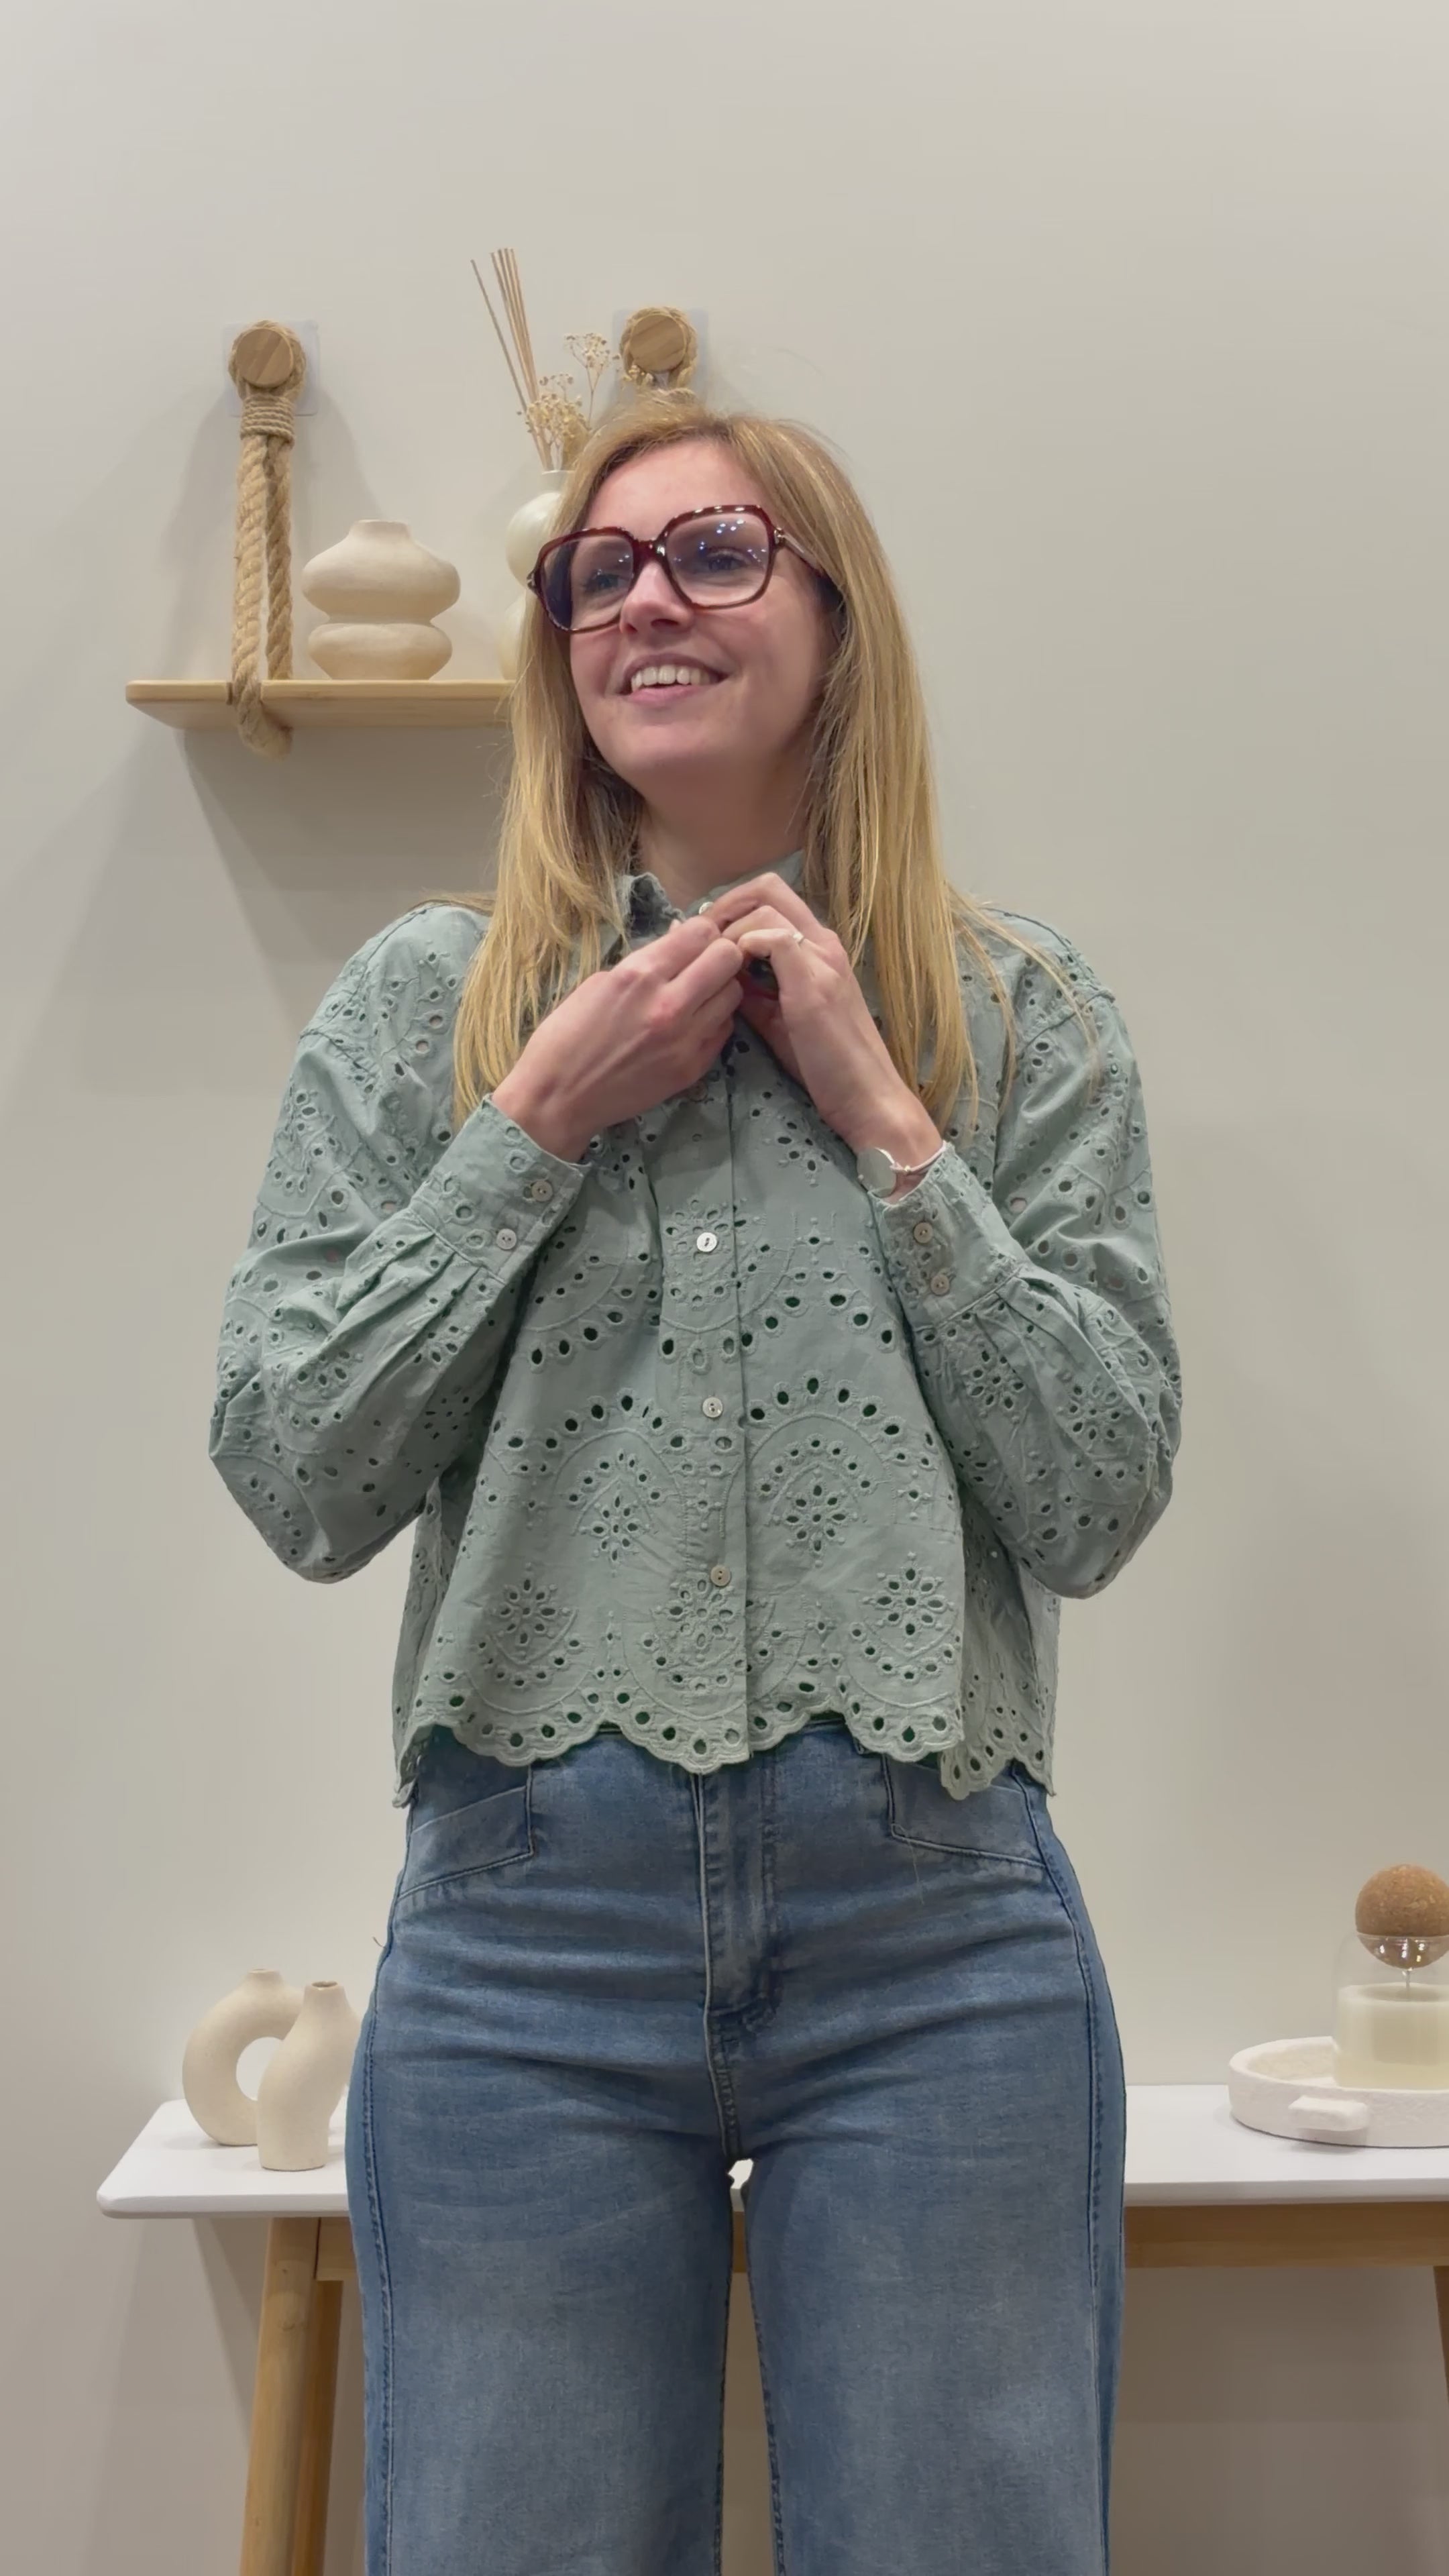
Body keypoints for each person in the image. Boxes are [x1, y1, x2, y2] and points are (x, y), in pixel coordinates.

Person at [210, 389, 1182, 2576]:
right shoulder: (421, 1015)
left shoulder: (1020, 1019)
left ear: (838, 619)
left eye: (717, 551)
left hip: (938, 1943)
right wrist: (531, 1130)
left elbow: (1101, 1494)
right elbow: (294, 1468)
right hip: (520, 1945)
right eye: (598, 570)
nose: (646, 600)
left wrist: (888, 1118)